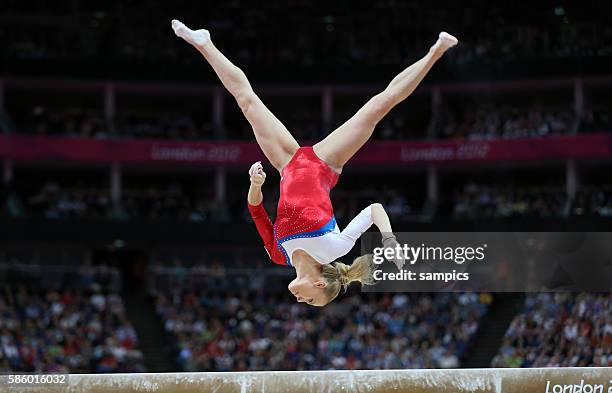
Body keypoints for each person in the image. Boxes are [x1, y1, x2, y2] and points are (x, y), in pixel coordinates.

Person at [172, 19, 458, 306]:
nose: (300, 301)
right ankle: (436, 51)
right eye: (310, 300)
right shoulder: (334, 249)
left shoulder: (278, 255)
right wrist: (389, 240)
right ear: (320, 283)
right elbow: (374, 210)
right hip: (325, 163)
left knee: (247, 102)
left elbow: (256, 211)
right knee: (378, 106)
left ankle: (204, 43)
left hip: (287, 163)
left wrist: (255, 185)